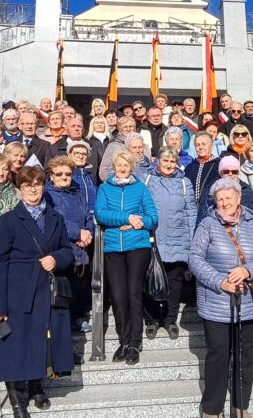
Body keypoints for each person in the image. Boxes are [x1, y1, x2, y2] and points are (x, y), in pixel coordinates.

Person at [0, 166, 75, 418]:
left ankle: (37, 386)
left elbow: (67, 251)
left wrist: (56, 258)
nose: (33, 190)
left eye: (37, 184)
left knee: (40, 340)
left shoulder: (56, 218)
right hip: (18, 290)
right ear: (20, 189)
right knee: (14, 345)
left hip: (46, 287)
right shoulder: (9, 220)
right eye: (27, 186)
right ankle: (17, 399)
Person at [190, 178, 253, 418]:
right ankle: (211, 408)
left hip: (248, 302)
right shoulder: (207, 224)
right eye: (220, 199)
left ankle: (241, 405)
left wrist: (248, 270)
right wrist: (220, 281)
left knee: (245, 355)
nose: (225, 202)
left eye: (229, 198)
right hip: (216, 303)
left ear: (239, 199)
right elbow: (195, 259)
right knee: (218, 355)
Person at [94, 150, 159, 365]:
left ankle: (134, 342)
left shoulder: (140, 188)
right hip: (113, 247)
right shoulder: (104, 188)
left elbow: (153, 218)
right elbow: (100, 214)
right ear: (114, 167)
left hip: (137, 246)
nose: (122, 168)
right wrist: (127, 217)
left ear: (132, 167)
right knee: (119, 296)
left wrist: (136, 222)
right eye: (119, 165)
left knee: (133, 294)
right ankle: (123, 339)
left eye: (127, 165)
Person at [142, 147, 198, 340]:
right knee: (151, 279)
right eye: (165, 160)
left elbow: (191, 213)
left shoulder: (184, 183)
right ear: (158, 161)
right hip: (153, 239)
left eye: (172, 161)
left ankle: (169, 319)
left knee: (174, 282)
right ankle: (152, 320)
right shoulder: (147, 180)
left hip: (178, 239)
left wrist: (192, 242)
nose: (168, 165)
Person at [44, 156, 94, 333]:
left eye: (68, 174)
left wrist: (88, 233)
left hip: (81, 248)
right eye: (59, 174)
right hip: (62, 249)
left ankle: (78, 317)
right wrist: (76, 233)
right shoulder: (47, 195)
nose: (64, 177)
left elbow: (88, 215)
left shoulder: (76, 191)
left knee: (79, 287)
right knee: (65, 289)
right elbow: (54, 221)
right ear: (51, 176)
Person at [184, 133, 222, 224]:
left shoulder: (219, 165)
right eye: (197, 145)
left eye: (204, 144)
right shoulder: (190, 167)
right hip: (192, 214)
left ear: (211, 146)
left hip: (212, 212)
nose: (200, 147)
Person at [98, 116, 135, 182]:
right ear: (120, 129)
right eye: (125, 127)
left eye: (131, 126)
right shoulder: (113, 146)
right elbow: (103, 171)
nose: (128, 129)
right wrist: (117, 182)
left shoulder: (141, 146)